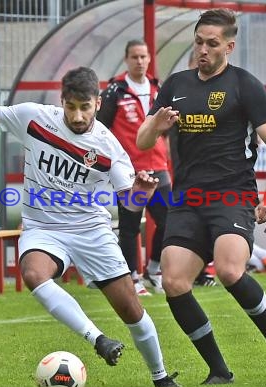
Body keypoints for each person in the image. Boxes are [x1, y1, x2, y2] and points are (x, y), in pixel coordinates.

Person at [0, 67, 180, 387]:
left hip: (90, 230)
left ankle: (160, 377)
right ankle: (98, 339)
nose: (77, 115)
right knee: (34, 273)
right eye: (71, 106)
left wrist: (142, 194)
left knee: (131, 309)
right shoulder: (35, 119)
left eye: (85, 107)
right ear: (61, 101)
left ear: (98, 103)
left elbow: (129, 203)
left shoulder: (108, 147)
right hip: (43, 228)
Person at [136, 9, 266, 385]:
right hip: (187, 200)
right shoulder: (176, 85)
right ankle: (218, 370)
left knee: (230, 271)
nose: (203, 49)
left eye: (212, 43)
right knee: (174, 281)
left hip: (232, 195)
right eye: (198, 41)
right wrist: (157, 125)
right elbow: (143, 140)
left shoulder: (244, 85)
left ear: (228, 46)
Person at [97, 40, 169, 296]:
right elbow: (100, 129)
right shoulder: (115, 90)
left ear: (150, 59)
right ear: (126, 60)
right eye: (135, 57)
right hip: (129, 171)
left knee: (168, 219)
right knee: (130, 226)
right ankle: (133, 278)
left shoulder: (158, 88)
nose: (140, 61)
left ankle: (153, 269)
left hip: (158, 167)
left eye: (143, 56)